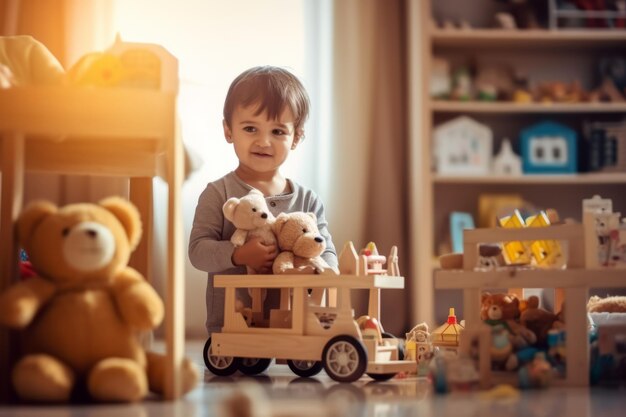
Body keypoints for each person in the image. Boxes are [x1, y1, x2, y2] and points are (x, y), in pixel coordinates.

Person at [188, 66, 338, 337]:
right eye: (250, 128)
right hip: (234, 325)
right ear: (228, 131)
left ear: (297, 137)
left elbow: (326, 251)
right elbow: (198, 252)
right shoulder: (218, 193)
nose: (264, 141)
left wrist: (323, 271)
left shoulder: (308, 200)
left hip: (296, 325)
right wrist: (238, 255)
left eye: (278, 131)